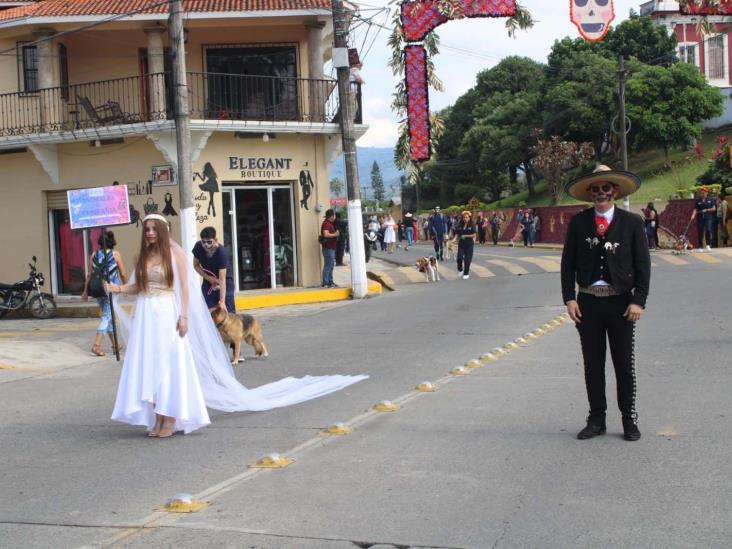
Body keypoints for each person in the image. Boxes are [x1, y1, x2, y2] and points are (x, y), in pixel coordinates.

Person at [106, 214, 366, 438]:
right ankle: (157, 416)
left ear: (162, 231)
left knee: (168, 365)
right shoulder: (143, 256)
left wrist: (184, 316)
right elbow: (139, 286)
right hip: (146, 318)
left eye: (154, 229)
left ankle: (170, 417)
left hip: (166, 315)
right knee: (150, 364)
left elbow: (186, 288)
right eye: (147, 229)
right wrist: (117, 288)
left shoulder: (175, 254)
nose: (150, 233)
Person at [561, 165, 650, 442]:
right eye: (595, 189)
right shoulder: (579, 222)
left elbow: (643, 265)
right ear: (590, 194)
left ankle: (629, 419)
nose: (601, 194)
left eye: (606, 188)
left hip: (621, 304)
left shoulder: (632, 222)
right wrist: (569, 298)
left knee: (624, 364)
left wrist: (638, 300)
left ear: (616, 191)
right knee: (593, 364)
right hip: (589, 303)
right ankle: (596, 418)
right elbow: (567, 264)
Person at [82, 230, 127, 357]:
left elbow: (89, 274)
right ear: (112, 241)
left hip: (98, 289)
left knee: (109, 316)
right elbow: (123, 273)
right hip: (111, 289)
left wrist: (85, 290)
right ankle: (96, 345)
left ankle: (115, 345)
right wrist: (124, 287)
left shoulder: (94, 255)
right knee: (107, 316)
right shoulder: (115, 254)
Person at [192, 227, 235, 313]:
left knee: (228, 313)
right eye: (203, 242)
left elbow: (222, 279)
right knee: (207, 311)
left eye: (209, 242)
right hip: (209, 282)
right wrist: (209, 278)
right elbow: (196, 265)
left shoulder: (222, 253)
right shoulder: (198, 247)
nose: (206, 245)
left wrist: (222, 302)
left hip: (224, 283)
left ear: (215, 240)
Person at [690, 186, 715, 251]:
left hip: (708, 217)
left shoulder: (710, 199)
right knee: (700, 231)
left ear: (706, 193)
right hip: (700, 218)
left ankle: (708, 245)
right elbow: (695, 209)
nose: (702, 194)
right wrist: (693, 215)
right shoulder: (698, 200)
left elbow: (714, 208)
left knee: (708, 230)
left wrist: (707, 210)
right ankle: (700, 246)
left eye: (704, 192)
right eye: (701, 193)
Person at [454, 210, 477, 279]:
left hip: (469, 244)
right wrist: (454, 239)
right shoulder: (460, 224)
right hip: (461, 244)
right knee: (459, 258)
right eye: (464, 217)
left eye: (466, 217)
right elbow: (457, 233)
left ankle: (466, 273)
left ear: (469, 218)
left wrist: (466, 236)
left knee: (467, 260)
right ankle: (460, 270)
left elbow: (474, 234)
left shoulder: (472, 225)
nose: (465, 219)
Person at [321, 209, 339, 287]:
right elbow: (325, 234)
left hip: (331, 248)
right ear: (331, 216)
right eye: (334, 215)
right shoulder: (326, 224)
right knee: (328, 265)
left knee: (331, 265)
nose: (335, 217)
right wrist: (335, 234)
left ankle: (330, 281)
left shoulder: (329, 223)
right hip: (328, 248)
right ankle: (326, 282)